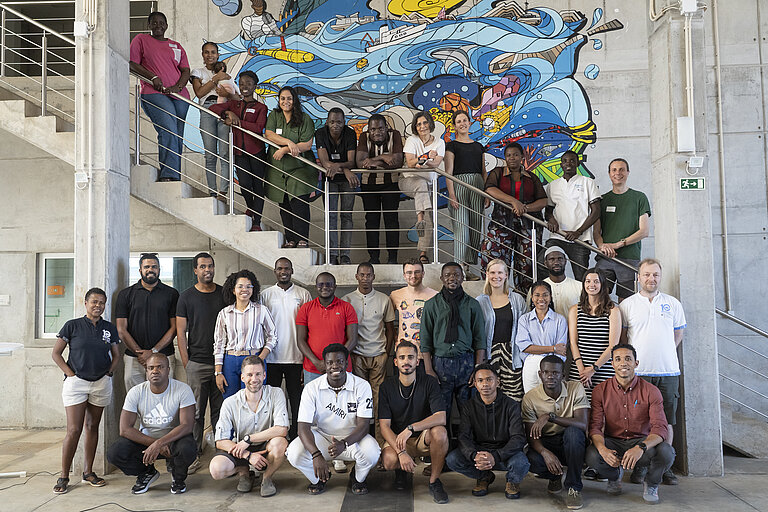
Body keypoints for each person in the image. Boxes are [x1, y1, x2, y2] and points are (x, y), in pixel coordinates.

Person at [619, 258, 685, 486]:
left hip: (668, 372)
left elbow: (678, 334)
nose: (651, 278)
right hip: (640, 373)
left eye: (655, 274)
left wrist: (664, 351)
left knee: (667, 421)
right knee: (640, 422)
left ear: (660, 277)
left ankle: (665, 467)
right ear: (638, 277)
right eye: (646, 274)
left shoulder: (673, 303)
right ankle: (642, 466)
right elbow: (623, 338)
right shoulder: (627, 305)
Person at [51, 288, 121, 494]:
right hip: (77, 383)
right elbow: (56, 353)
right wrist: (70, 374)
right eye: (94, 302)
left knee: (92, 426)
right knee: (74, 429)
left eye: (102, 303)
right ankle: (64, 476)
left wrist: (109, 373)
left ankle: (88, 473)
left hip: (101, 382)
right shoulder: (72, 325)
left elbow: (116, 354)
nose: (98, 306)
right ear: (86, 303)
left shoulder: (109, 328)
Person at [585, 344, 675, 504]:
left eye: (628, 359)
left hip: (641, 443)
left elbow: (660, 429)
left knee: (667, 452)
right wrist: (603, 450)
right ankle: (614, 476)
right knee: (592, 455)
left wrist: (640, 448)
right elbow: (595, 427)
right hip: (613, 442)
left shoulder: (651, 391)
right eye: (618, 359)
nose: (623, 363)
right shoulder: (600, 390)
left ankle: (652, 483)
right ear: (612, 364)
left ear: (636, 363)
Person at [286, 344, 381, 495]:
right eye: (330, 362)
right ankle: (320, 479)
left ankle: (357, 478)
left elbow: (364, 426)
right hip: (323, 436)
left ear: (347, 363)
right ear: (324, 365)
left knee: (373, 452)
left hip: (353, 439)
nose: (335, 366)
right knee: (294, 453)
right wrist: (316, 455)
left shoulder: (362, 386)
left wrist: (344, 443)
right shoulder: (311, 388)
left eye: (339, 361)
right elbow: (302, 428)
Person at [107, 353, 196, 495]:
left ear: (168, 370)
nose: (155, 371)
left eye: (160, 367)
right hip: (147, 442)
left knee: (188, 448)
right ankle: (147, 473)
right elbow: (124, 429)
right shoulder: (136, 392)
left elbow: (187, 425)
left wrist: (160, 443)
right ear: (146, 371)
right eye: (151, 368)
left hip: (173, 441)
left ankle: (178, 477)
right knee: (115, 453)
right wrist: (155, 444)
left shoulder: (182, 389)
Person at [379, 341, 449, 504]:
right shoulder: (386, 386)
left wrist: (411, 428)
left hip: (422, 437)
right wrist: (401, 453)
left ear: (417, 361)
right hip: (398, 439)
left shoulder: (429, 382)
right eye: (402, 357)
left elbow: (441, 417)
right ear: (395, 362)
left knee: (440, 432)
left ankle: (434, 481)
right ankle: (401, 472)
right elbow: (384, 426)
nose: (406, 361)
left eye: (410, 357)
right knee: (389, 461)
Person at [175, 252, 227, 473]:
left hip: (221, 364)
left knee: (220, 411)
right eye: (203, 266)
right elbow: (180, 332)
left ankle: (221, 452)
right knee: (195, 413)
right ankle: (193, 454)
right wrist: (187, 362)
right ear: (195, 270)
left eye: (211, 266)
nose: (208, 270)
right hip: (196, 363)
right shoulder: (186, 297)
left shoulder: (224, 294)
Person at [446, 364, 529, 499]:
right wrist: (474, 455)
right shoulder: (468, 407)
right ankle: (484, 477)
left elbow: (518, 437)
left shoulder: (511, 405)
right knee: (452, 459)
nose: (485, 384)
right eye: (480, 380)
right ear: (475, 384)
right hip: (480, 451)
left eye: (489, 379)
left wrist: (496, 456)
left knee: (521, 463)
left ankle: (512, 481)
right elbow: (463, 436)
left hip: (505, 452)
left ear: (498, 382)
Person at [420, 262, 486, 430]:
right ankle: (444, 444)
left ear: (462, 278)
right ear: (441, 278)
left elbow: (480, 339)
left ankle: (466, 444)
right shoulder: (431, 305)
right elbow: (425, 340)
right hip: (440, 365)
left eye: (456, 275)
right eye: (448, 275)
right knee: (441, 413)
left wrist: (478, 368)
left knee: (468, 411)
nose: (452, 278)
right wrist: (428, 369)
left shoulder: (472, 305)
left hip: (466, 364)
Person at [210, 356, 289, 496]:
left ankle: (267, 478)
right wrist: (248, 455)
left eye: (258, 374)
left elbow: (282, 429)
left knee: (280, 443)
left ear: (264, 375)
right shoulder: (230, 402)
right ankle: (244, 473)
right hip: (240, 448)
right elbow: (220, 441)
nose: (254, 379)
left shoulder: (276, 393)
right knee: (216, 469)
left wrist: (249, 439)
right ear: (242, 377)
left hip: (265, 445)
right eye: (250, 375)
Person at [129, 12, 190, 181]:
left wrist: (177, 87)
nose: (158, 25)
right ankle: (169, 175)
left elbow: (185, 70)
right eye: (154, 22)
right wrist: (153, 77)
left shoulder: (176, 46)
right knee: (168, 130)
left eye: (162, 23)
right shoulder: (141, 39)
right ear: (149, 25)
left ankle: (175, 175)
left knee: (177, 136)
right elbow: (132, 64)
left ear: (167, 26)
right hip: (154, 93)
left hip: (180, 96)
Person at [522, 355, 589, 510]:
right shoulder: (530, 397)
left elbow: (582, 424)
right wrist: (545, 453)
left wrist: (550, 417)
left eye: (555, 373)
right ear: (540, 374)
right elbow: (531, 436)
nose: (550, 376)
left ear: (563, 375)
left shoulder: (575, 388)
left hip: (572, 443)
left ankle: (574, 487)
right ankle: (555, 476)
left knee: (573, 433)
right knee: (530, 459)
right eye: (546, 372)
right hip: (548, 442)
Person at [479, 142, 547, 293]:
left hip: (528, 224)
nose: (512, 158)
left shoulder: (531, 177)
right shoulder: (498, 172)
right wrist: (513, 201)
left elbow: (543, 200)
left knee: (526, 264)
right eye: (509, 155)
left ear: (522, 157)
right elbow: (490, 189)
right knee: (492, 256)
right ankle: (495, 293)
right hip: (502, 222)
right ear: (505, 157)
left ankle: (523, 297)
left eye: (516, 155)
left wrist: (525, 208)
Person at [342, 263, 396, 444]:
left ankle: (380, 443)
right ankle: (358, 441)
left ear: (374, 277)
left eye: (369, 275)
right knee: (357, 400)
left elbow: (390, 329)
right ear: (356, 276)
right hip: (356, 355)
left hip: (378, 354)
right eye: (362, 275)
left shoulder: (383, 299)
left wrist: (386, 353)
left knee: (379, 401)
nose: (365, 278)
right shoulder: (347, 300)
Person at [210, 70, 268, 231]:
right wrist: (227, 112)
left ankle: (257, 222)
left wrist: (238, 122)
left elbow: (259, 127)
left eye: (248, 83)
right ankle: (251, 208)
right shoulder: (234, 105)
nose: (244, 86)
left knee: (257, 187)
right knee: (244, 184)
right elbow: (213, 108)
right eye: (241, 84)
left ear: (255, 86)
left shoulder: (261, 107)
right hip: (239, 152)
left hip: (256, 151)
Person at [261, 257, 312, 440]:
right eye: (280, 268)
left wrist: (306, 359)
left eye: (287, 268)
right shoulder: (265, 295)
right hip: (271, 358)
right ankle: (275, 437)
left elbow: (309, 328)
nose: (283, 271)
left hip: (296, 357)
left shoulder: (303, 294)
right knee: (272, 401)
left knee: (297, 400)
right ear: (275, 271)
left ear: (292, 271)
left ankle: (297, 437)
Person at [116, 252, 179, 391]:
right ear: (140, 270)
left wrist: (153, 351)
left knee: (165, 398)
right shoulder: (126, 294)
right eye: (147, 267)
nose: (150, 270)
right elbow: (121, 329)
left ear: (159, 270)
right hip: (134, 358)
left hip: (164, 356)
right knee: (135, 399)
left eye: (154, 267)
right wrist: (140, 354)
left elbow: (174, 327)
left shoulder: (172, 294)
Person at [264, 85, 317, 248]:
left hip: (300, 168)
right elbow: (269, 134)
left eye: (289, 98)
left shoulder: (305, 118)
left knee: (299, 203)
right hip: (278, 169)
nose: (285, 101)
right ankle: (291, 239)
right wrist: (288, 142)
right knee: (284, 204)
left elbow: (307, 145)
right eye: (282, 98)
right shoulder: (274, 115)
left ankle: (302, 239)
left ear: (295, 100)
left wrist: (285, 149)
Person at [594, 158, 651, 301]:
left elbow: (644, 231)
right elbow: (596, 232)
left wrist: (618, 244)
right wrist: (602, 246)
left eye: (621, 169)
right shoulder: (602, 200)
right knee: (599, 296)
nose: (617, 173)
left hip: (629, 258)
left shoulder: (639, 197)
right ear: (609, 174)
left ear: (628, 172)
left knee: (626, 301)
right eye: (614, 170)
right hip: (606, 257)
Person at [213, 269, 277, 398]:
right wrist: (218, 372)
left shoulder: (261, 310)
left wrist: (261, 358)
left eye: (249, 286)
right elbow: (219, 343)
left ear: (253, 289)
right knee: (230, 400)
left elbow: (273, 336)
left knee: (253, 399)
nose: (245, 290)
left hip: (254, 358)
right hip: (230, 361)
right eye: (240, 286)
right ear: (233, 290)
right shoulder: (224, 313)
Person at [475, 259, 527, 401]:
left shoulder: (517, 299)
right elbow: (476, 331)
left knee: (514, 395)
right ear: (487, 274)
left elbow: (525, 328)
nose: (496, 276)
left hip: (512, 353)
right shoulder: (480, 301)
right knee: (490, 395)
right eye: (492, 272)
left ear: (506, 275)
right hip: (489, 353)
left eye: (500, 272)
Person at [544, 150, 600, 281]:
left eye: (572, 160)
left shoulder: (588, 182)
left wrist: (578, 232)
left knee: (581, 277)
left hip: (580, 239)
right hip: (558, 236)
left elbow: (596, 211)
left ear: (578, 163)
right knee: (542, 265)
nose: (568, 163)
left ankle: (581, 296)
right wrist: (551, 220)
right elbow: (548, 211)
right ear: (561, 165)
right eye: (565, 161)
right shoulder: (553, 185)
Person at [356, 113, 404, 264]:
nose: (377, 132)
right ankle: (374, 258)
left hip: (391, 183)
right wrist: (384, 157)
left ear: (386, 128)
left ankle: (392, 258)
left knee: (391, 220)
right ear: (369, 130)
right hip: (368, 184)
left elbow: (397, 161)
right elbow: (360, 163)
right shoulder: (363, 137)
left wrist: (375, 160)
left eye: (381, 128)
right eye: (373, 129)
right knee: (371, 221)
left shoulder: (395, 135)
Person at [190, 43, 236, 197]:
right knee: (210, 155)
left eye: (213, 52)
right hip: (207, 110)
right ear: (202, 54)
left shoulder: (226, 74)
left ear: (218, 54)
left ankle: (223, 192)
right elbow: (199, 93)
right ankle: (212, 192)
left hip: (224, 110)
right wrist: (216, 78)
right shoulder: (198, 72)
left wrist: (226, 90)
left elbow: (236, 95)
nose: (210, 55)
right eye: (207, 52)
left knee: (224, 153)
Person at [296, 272, 358, 386]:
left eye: (329, 284)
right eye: (321, 284)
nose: (325, 287)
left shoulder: (347, 308)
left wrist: (336, 362)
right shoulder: (306, 308)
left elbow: (353, 340)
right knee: (313, 398)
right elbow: (300, 340)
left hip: (340, 368)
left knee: (342, 397)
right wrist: (316, 362)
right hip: (313, 368)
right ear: (316, 287)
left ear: (335, 286)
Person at [567, 268, 621, 399]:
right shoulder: (575, 310)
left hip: (603, 369)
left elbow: (613, 346)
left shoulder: (613, 311)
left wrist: (593, 369)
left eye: (596, 281)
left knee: (603, 407)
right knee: (579, 407)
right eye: (588, 281)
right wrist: (582, 370)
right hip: (579, 370)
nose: (592, 285)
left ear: (602, 284)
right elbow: (573, 342)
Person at [400, 111, 445, 264]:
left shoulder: (439, 142)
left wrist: (420, 161)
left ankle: (423, 254)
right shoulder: (412, 140)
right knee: (420, 183)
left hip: (429, 185)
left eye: (425, 122)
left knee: (429, 221)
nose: (422, 126)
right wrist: (426, 157)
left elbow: (436, 163)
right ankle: (420, 218)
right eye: (418, 124)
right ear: (415, 127)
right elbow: (410, 163)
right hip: (408, 180)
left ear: (430, 124)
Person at [316, 108, 360, 264]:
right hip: (330, 179)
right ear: (327, 122)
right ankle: (333, 254)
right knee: (331, 216)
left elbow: (352, 161)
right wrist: (345, 169)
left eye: (339, 122)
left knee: (346, 216)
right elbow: (324, 162)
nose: (336, 125)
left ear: (344, 122)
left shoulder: (350, 133)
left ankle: (345, 255)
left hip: (348, 180)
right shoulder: (320, 133)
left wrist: (343, 168)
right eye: (332, 122)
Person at [445, 111, 485, 280]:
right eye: (458, 121)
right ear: (455, 126)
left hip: (477, 185)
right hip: (459, 185)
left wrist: (486, 194)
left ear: (470, 123)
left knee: (475, 228)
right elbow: (448, 172)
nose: (462, 124)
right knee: (462, 228)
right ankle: (458, 268)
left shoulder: (479, 146)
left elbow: (483, 171)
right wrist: (452, 194)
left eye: (464, 120)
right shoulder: (452, 145)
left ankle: (467, 267)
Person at [515, 280, 568, 393]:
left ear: (550, 297)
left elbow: (561, 350)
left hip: (553, 366)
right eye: (537, 295)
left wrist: (537, 349)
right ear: (532, 298)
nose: (541, 298)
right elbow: (524, 347)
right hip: (531, 364)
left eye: (545, 295)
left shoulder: (560, 320)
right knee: (531, 398)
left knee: (552, 398)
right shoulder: (524, 320)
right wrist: (553, 348)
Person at [389, 258, 438, 357]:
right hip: (403, 353)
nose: (413, 276)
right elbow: (388, 322)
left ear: (423, 274)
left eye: (417, 272)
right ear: (404, 275)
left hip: (426, 354)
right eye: (409, 272)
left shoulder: (435, 295)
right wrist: (396, 338)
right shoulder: (395, 295)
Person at [526, 246, 582, 320]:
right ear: (545, 263)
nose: (556, 262)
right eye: (552, 259)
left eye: (560, 259)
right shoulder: (537, 289)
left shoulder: (579, 287)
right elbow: (530, 311)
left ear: (565, 261)